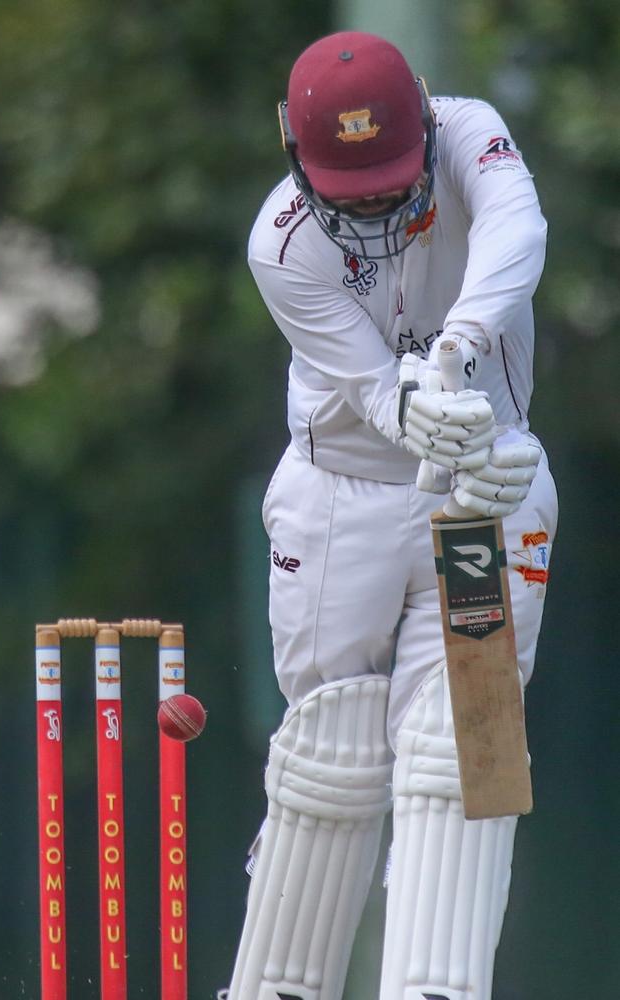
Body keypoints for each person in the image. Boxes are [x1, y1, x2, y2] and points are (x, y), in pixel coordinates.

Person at [220, 30, 558, 1000]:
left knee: (468, 744)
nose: (369, 205)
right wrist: (420, 406)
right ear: (297, 158)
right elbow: (371, 393)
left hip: (481, 491)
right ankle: (282, 984)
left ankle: (434, 989)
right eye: (346, 188)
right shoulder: (279, 242)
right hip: (344, 499)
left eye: (385, 180)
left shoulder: (469, 136)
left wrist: (459, 357)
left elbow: (514, 234)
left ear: (421, 123)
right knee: (332, 742)